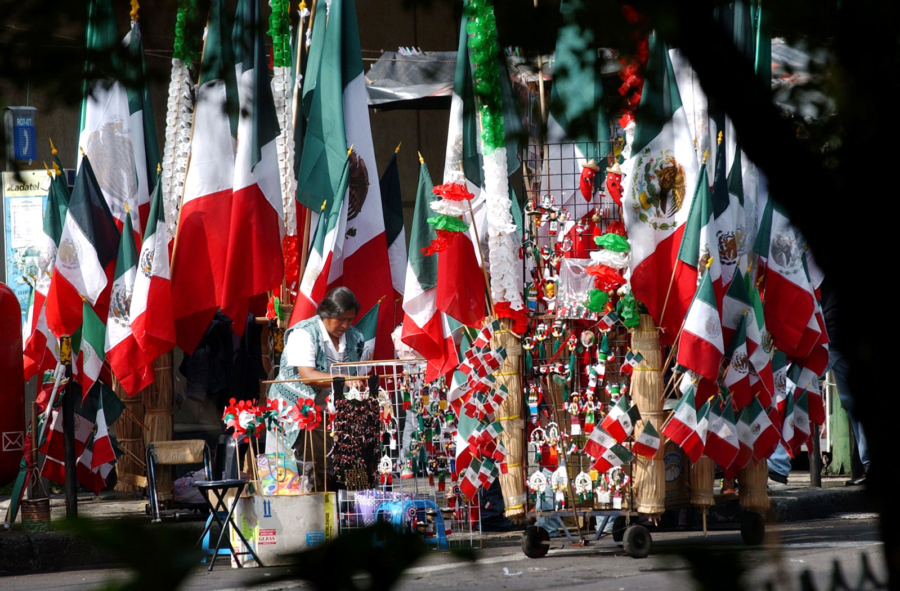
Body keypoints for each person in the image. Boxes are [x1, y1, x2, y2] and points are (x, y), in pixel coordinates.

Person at [268, 287, 369, 489]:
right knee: (295, 472)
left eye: (349, 320)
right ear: (326, 314)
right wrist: (344, 379)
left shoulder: (355, 337)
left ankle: (332, 504)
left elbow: (358, 372)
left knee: (329, 467)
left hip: (328, 412)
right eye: (340, 319)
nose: (345, 325)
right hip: (296, 410)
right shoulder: (303, 333)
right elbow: (308, 376)